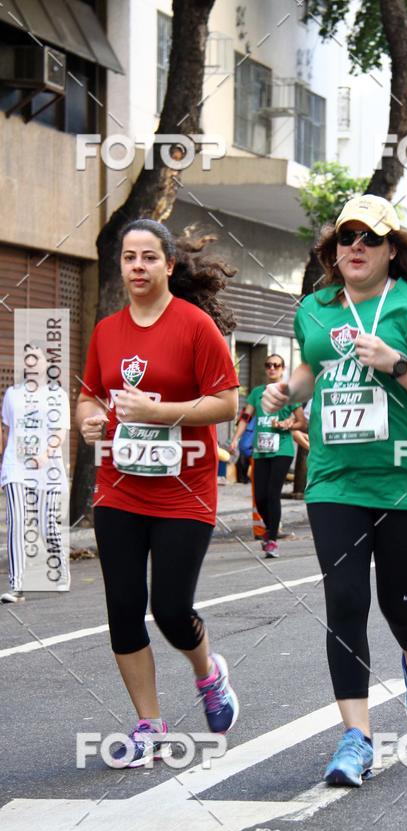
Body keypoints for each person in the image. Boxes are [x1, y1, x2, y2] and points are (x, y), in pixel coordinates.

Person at [263, 194, 407, 786]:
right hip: (335, 478)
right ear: (334, 250)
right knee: (346, 600)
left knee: (399, 605)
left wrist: (394, 362)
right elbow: (312, 367)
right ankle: (356, 737)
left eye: (369, 238)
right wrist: (291, 393)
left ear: (390, 251)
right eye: (346, 237)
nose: (355, 246)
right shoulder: (316, 308)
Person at [75, 219, 240, 768]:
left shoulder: (195, 327)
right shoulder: (106, 331)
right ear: (120, 265)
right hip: (119, 491)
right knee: (124, 607)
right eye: (128, 257)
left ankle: (207, 673)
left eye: (149, 257)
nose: (137, 267)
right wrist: (91, 420)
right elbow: (89, 398)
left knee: (171, 609)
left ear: (169, 265)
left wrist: (160, 412)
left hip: (184, 492)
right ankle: (149, 723)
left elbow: (227, 404)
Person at [1, 345, 69, 603]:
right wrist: (5, 465)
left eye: (36, 357)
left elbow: (60, 431)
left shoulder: (57, 395)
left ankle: (60, 570)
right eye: (26, 357)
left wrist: (45, 454)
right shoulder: (12, 394)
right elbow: (7, 431)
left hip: (47, 468)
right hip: (15, 467)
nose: (30, 362)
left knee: (46, 525)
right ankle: (16, 586)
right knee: (17, 522)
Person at [229, 355, 306, 558]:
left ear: (283, 369)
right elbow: (246, 416)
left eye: (276, 365)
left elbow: (301, 423)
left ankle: (272, 539)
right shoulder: (257, 393)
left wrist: (287, 424)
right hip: (261, 450)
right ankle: (270, 528)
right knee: (260, 497)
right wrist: (236, 439)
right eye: (268, 365)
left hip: (282, 450)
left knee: (273, 494)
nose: (272, 368)